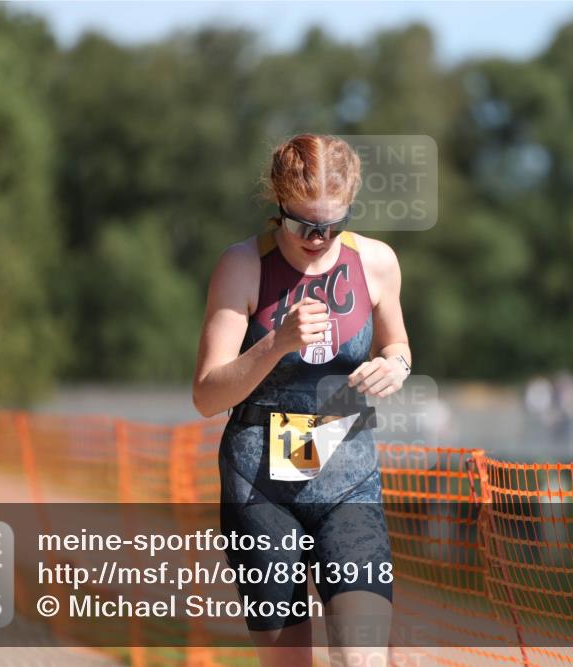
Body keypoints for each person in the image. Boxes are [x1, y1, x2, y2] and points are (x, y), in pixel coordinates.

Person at [193, 133, 412, 667]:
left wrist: (396, 367)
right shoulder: (242, 266)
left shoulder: (376, 262)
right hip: (261, 488)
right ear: (278, 204)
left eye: (332, 224)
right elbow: (205, 394)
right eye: (302, 224)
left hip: (348, 477)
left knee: (361, 658)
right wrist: (276, 343)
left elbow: (399, 345)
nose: (318, 238)